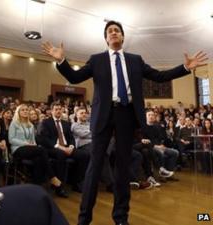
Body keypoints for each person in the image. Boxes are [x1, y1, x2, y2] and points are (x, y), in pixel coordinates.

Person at [42, 20, 207, 225]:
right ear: (106, 38)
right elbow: (75, 78)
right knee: (95, 165)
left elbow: (160, 76)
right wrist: (61, 61)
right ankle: (84, 219)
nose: (113, 33)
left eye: (117, 30)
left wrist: (185, 67)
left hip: (127, 116)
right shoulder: (97, 60)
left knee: (122, 166)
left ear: (122, 37)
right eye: (110, 31)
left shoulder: (135, 60)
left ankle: (120, 218)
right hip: (103, 115)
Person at [8, 104, 65, 194]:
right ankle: (52, 177)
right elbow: (11, 140)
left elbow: (33, 140)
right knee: (42, 150)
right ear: (18, 112)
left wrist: (33, 145)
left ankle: (36, 186)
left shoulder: (30, 125)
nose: (25, 111)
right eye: (22, 110)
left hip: (30, 149)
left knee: (39, 159)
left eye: (26, 109)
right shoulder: (14, 123)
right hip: (17, 149)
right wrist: (26, 143)